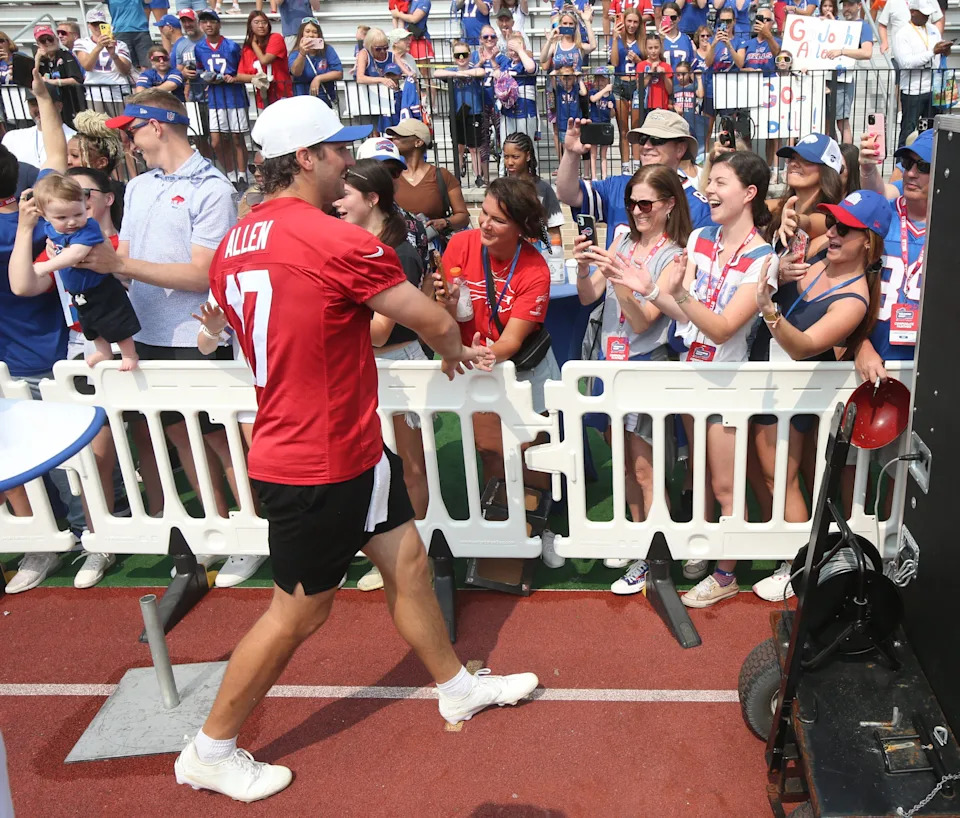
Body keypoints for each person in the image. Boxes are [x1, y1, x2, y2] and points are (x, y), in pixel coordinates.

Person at [174, 95, 537, 801]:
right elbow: (430, 317)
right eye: (337, 151)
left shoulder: (238, 241)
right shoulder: (332, 238)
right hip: (316, 456)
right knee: (298, 612)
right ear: (305, 158)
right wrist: (456, 349)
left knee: (404, 562)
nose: (349, 163)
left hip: (339, 440)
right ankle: (210, 749)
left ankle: (455, 686)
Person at [83, 89, 242, 560]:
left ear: (157, 126)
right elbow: (125, 256)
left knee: (219, 438)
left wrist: (120, 265)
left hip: (195, 334)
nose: (128, 141)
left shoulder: (214, 188)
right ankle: (216, 532)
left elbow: (200, 274)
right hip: (145, 333)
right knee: (179, 434)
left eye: (132, 129)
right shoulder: (140, 185)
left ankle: (252, 533)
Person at [648, 151, 779, 607]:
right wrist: (647, 288)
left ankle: (727, 575)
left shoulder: (764, 257)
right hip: (692, 372)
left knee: (726, 484)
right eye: (709, 180)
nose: (708, 190)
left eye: (720, 182)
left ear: (748, 193)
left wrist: (679, 292)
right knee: (702, 474)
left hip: (728, 380)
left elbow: (724, 327)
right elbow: (678, 306)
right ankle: (709, 551)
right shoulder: (702, 236)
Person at [749, 189, 887, 602]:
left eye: (846, 229)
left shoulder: (854, 299)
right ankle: (784, 554)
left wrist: (768, 309)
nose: (834, 233)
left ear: (869, 241)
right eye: (833, 224)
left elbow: (802, 346)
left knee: (782, 477)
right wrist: (789, 217)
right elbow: (793, 225)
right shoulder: (814, 251)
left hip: (794, 393)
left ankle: (796, 568)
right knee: (763, 473)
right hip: (765, 382)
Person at [573, 164, 693, 595]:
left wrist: (617, 277)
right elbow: (589, 298)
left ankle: (652, 553)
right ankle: (634, 533)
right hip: (610, 367)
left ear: (668, 205)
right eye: (632, 202)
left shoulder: (674, 254)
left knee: (645, 468)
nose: (637, 210)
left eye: (646, 203)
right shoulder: (621, 238)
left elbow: (643, 322)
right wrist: (587, 267)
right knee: (621, 458)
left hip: (645, 370)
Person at [438, 176, 564, 567]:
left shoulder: (534, 268)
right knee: (491, 451)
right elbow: (439, 312)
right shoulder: (460, 244)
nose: (485, 224)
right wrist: (444, 302)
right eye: (484, 213)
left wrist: (486, 352)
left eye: (498, 220)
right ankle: (499, 529)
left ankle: (539, 528)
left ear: (522, 227)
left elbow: (511, 343)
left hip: (525, 369)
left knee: (534, 453)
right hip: (477, 367)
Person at [0, 69, 84, 595]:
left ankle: (79, 536)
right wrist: (45, 101)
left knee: (58, 461)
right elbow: (55, 152)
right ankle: (58, 538)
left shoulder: (17, 227)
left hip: (36, 357)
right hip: (37, 353)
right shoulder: (37, 212)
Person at [334, 158, 432, 592]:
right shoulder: (349, 247)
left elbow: (379, 332)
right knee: (366, 462)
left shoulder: (399, 254)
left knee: (409, 464)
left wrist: (333, 316)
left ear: (372, 199)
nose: (336, 202)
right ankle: (378, 545)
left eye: (346, 195)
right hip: (363, 366)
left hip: (398, 364)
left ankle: (415, 548)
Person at [19, 174, 139, 370]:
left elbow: (76, 254)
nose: (72, 222)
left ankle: (130, 354)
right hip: (79, 294)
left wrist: (45, 266)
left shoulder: (89, 228)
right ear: (44, 215)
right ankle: (103, 351)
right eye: (62, 217)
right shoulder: (52, 229)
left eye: (78, 214)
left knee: (117, 324)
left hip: (102, 289)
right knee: (91, 327)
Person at [557, 109, 713, 251]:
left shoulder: (700, 208)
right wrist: (571, 153)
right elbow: (569, 195)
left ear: (680, 149)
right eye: (643, 139)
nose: (646, 146)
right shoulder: (618, 186)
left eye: (657, 140)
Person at [388, 118, 471, 249]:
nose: (393, 139)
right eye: (393, 136)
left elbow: (463, 216)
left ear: (418, 142)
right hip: (400, 251)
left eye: (400, 136)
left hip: (435, 252)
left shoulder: (442, 176)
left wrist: (444, 222)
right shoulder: (391, 176)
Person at [195, 8, 249, 188]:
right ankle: (230, 173)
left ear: (219, 23)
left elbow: (241, 70)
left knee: (236, 137)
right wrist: (206, 77)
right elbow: (200, 69)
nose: (208, 25)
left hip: (234, 96)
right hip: (215, 98)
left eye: (211, 21)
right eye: (204, 22)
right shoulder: (199, 48)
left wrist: (233, 78)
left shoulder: (232, 46)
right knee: (217, 141)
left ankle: (242, 175)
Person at [891, 0, 950, 149]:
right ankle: (902, 166)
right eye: (924, 14)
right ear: (913, 12)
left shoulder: (933, 30)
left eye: (928, 14)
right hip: (912, 90)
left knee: (931, 130)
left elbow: (937, 57)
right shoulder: (902, 33)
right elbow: (905, 63)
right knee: (908, 130)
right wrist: (932, 52)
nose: (927, 17)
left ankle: (927, 164)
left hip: (933, 89)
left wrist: (944, 51)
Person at [502, 130, 564, 260]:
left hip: (537, 254)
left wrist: (555, 259)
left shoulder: (543, 189)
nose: (509, 162)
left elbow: (554, 231)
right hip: (507, 252)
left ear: (528, 156)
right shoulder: (500, 189)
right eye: (506, 156)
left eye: (515, 157)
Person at [820, 0, 873, 145]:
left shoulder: (864, 26)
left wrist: (841, 51)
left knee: (842, 122)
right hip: (825, 78)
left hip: (843, 78)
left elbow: (867, 52)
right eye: (844, 5)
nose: (847, 8)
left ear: (859, 6)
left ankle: (848, 158)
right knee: (826, 123)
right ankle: (832, 155)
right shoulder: (839, 23)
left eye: (850, 5)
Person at [434, 43, 486, 186]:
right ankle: (458, 173)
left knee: (474, 147)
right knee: (458, 146)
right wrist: (457, 74)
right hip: (457, 113)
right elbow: (436, 73)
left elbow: (480, 72)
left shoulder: (474, 69)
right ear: (454, 57)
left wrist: (466, 73)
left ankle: (478, 176)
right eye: (458, 55)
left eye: (464, 54)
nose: (461, 58)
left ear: (469, 55)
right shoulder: (452, 70)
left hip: (473, 113)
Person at [74, 8, 133, 115]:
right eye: (94, 24)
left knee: (122, 129)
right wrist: (99, 47)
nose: (97, 27)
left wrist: (113, 55)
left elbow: (125, 70)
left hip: (119, 93)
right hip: (96, 94)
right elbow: (87, 66)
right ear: (89, 25)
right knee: (99, 129)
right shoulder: (82, 43)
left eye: (100, 24)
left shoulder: (120, 44)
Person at [1, 91, 77, 170]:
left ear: (59, 106)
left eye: (44, 103)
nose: (40, 108)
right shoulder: (12, 137)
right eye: (34, 104)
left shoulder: (74, 138)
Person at [610, 9, 645, 174]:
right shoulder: (618, 39)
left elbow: (647, 63)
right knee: (623, 129)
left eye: (635, 22)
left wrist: (638, 61)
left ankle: (637, 165)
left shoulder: (642, 40)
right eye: (629, 21)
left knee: (636, 128)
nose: (631, 25)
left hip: (637, 85)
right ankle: (625, 167)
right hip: (620, 83)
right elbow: (615, 62)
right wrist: (614, 38)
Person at [34, 23, 86, 129]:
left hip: (71, 104)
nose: (48, 42)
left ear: (56, 39)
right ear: (38, 44)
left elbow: (77, 80)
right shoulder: (41, 61)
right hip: (52, 107)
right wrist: (37, 59)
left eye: (50, 39)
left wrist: (53, 82)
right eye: (43, 41)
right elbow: (32, 79)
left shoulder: (66, 55)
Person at [236, 10, 292, 108]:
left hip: (282, 94)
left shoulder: (276, 38)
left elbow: (265, 60)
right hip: (263, 98)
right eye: (256, 22)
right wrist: (255, 78)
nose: (261, 25)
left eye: (264, 22)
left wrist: (254, 43)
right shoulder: (247, 49)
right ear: (250, 26)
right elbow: (240, 75)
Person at [498, 32, 538, 151]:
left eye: (517, 48)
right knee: (506, 144)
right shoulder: (506, 63)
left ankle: (531, 169)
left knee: (526, 145)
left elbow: (531, 68)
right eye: (511, 49)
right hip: (508, 111)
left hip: (525, 111)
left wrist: (520, 50)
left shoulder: (527, 62)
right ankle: (504, 170)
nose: (514, 52)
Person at [288, 19, 343, 105]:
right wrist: (302, 53)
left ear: (319, 35)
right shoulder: (295, 53)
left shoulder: (327, 50)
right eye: (307, 31)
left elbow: (339, 73)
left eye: (314, 32)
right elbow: (296, 72)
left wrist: (318, 78)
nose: (311, 35)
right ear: (302, 34)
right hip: (302, 99)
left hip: (324, 100)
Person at [878, 0, 942, 58]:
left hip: (928, 54)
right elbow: (882, 24)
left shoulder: (931, 1)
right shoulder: (892, 1)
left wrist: (937, 41)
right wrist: (884, 42)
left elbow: (938, 20)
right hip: (899, 55)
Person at [106, 0, 153, 70]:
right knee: (126, 64)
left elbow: (148, 1)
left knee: (147, 64)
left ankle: (146, 80)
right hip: (121, 32)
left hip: (141, 31)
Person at [588, 67, 615, 180]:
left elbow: (612, 115)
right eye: (598, 80)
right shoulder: (593, 92)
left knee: (603, 153)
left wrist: (612, 108)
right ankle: (594, 176)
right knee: (593, 153)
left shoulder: (610, 96)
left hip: (605, 125)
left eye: (603, 80)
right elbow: (593, 99)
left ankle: (604, 176)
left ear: (608, 81)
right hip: (594, 124)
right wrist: (604, 90)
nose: (600, 82)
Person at [637, 33, 674, 111]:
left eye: (656, 47)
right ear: (646, 49)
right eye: (650, 48)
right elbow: (639, 87)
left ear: (660, 48)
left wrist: (664, 76)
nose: (653, 51)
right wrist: (650, 74)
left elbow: (670, 90)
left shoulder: (666, 66)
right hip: (645, 105)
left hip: (663, 106)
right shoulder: (641, 65)